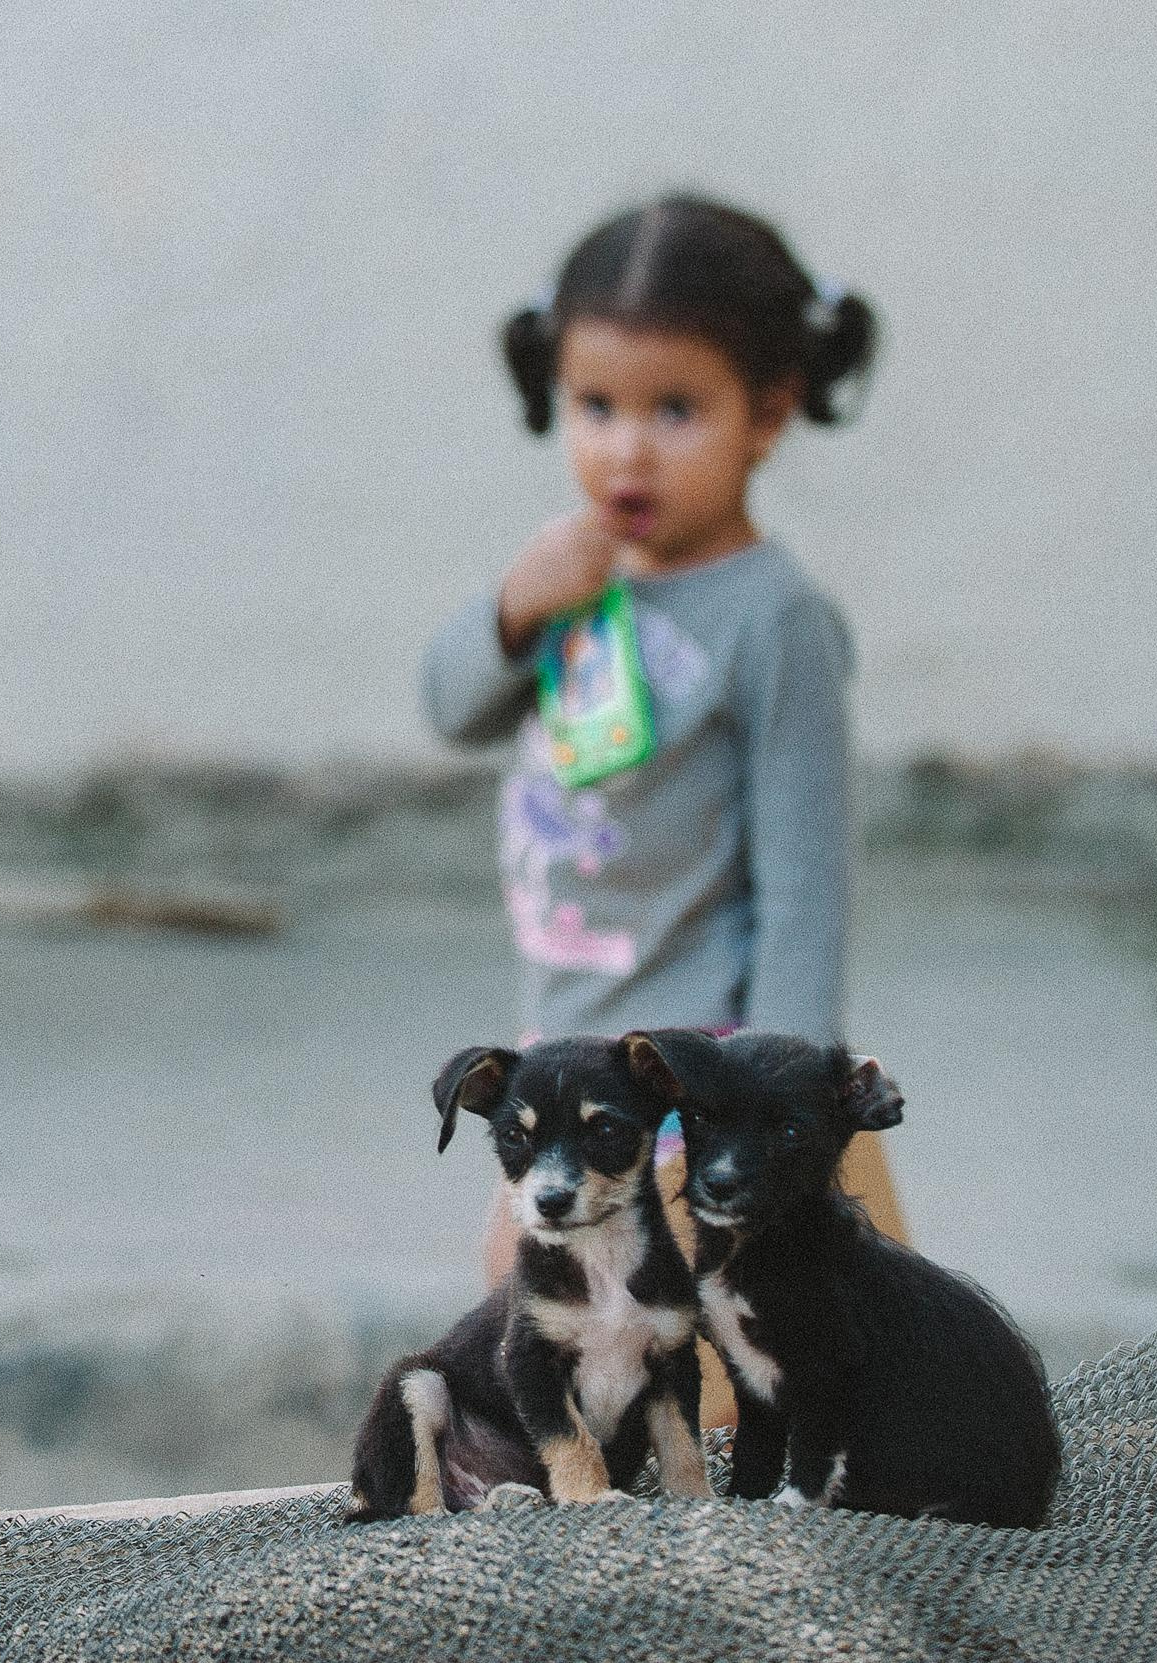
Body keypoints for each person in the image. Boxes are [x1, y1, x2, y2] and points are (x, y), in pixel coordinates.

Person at [421, 194, 906, 1419]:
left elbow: (805, 885)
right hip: (567, 1075)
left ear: (771, 410)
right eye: (597, 407)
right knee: (556, 1376)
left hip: (709, 1099)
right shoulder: (574, 586)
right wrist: (510, 609)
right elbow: (450, 706)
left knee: (759, 1388)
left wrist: (776, 1116)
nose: (626, 450)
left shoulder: (772, 620)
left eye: (674, 410)